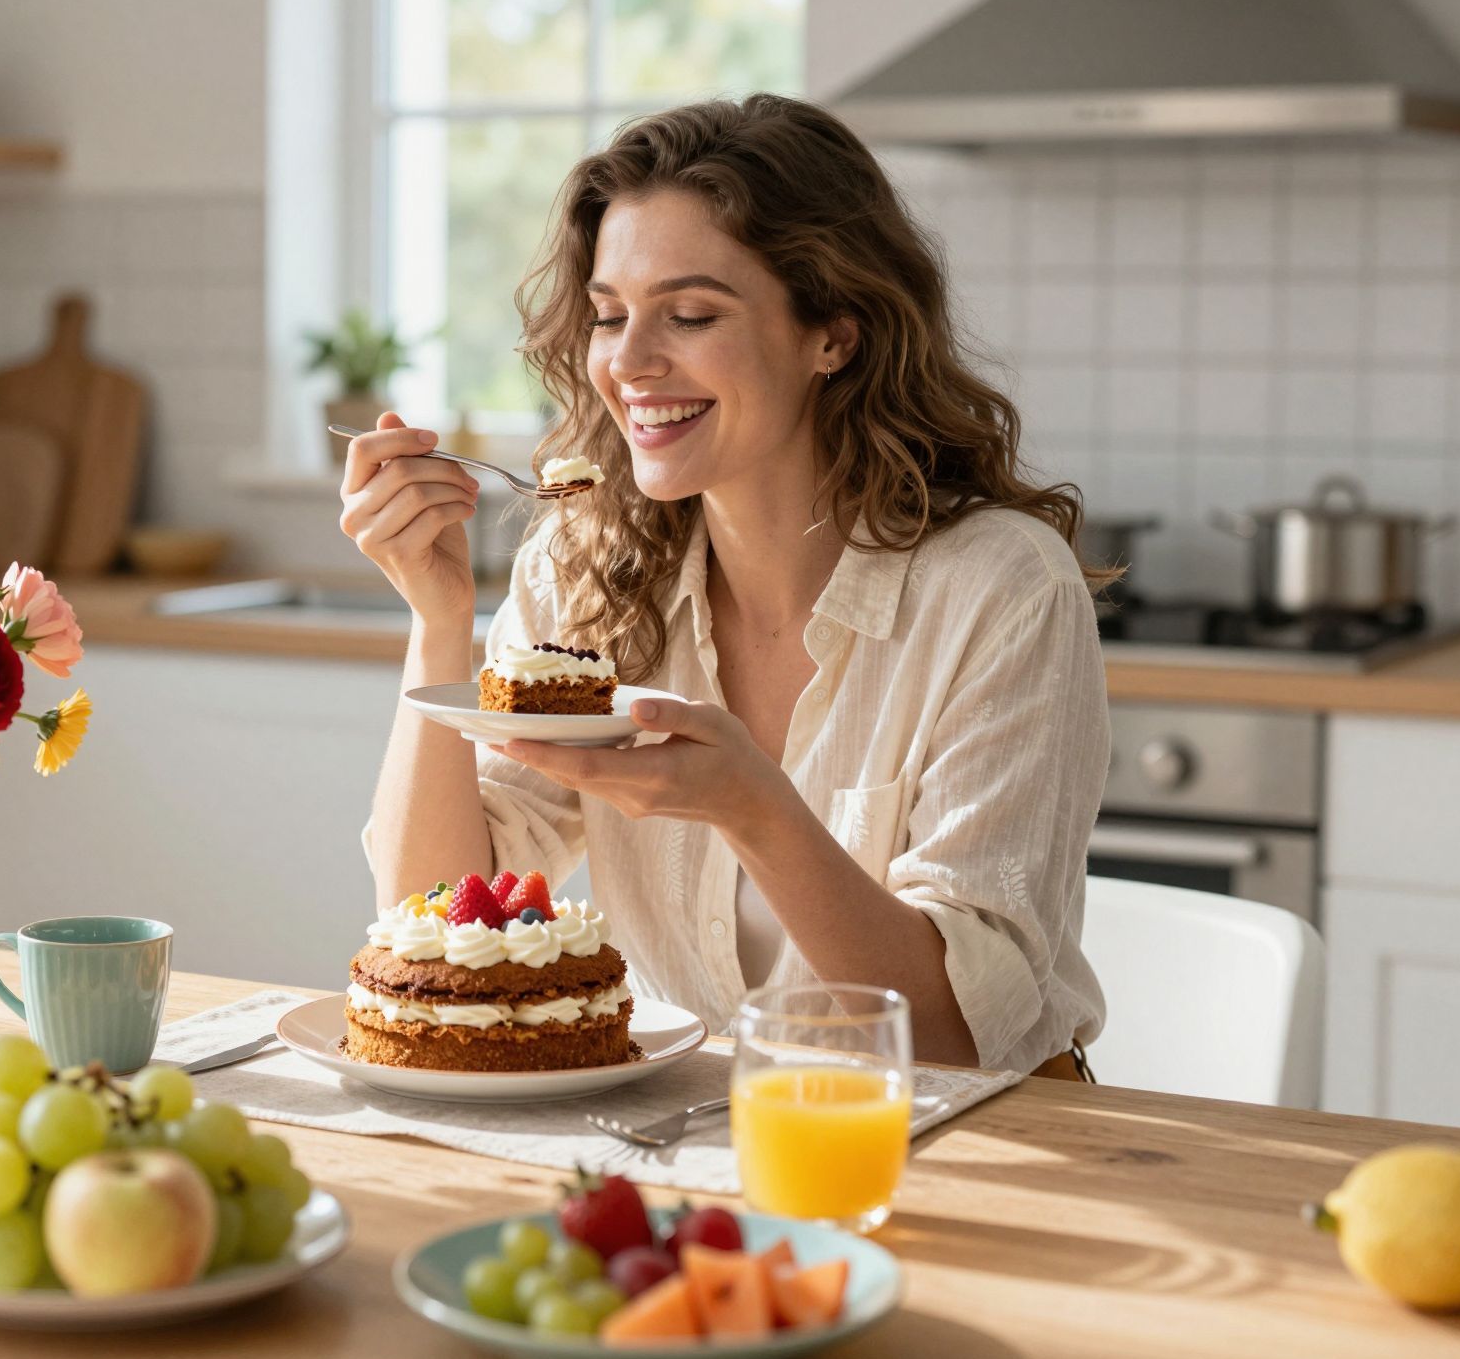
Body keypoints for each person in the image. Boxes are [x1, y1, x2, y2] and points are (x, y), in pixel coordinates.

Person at [338, 94, 1107, 1076]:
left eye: (690, 315)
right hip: (705, 1134)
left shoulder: (997, 591)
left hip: (980, 1148)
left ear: (832, 332)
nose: (629, 363)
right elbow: (435, 923)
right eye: (609, 316)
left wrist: (753, 808)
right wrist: (437, 622)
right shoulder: (585, 566)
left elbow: (958, 1040)